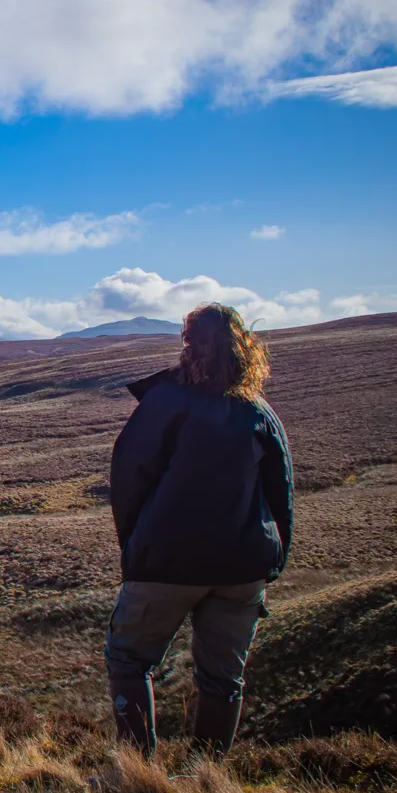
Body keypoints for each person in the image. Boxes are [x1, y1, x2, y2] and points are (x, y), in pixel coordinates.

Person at [104, 303, 293, 757]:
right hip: (242, 566)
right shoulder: (258, 410)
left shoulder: (166, 402)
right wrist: (272, 559)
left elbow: (129, 478)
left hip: (165, 561)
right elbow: (280, 491)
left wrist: (135, 548)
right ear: (243, 348)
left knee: (129, 660)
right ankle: (204, 779)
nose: (186, 346)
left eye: (190, 339)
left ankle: (136, 774)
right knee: (224, 678)